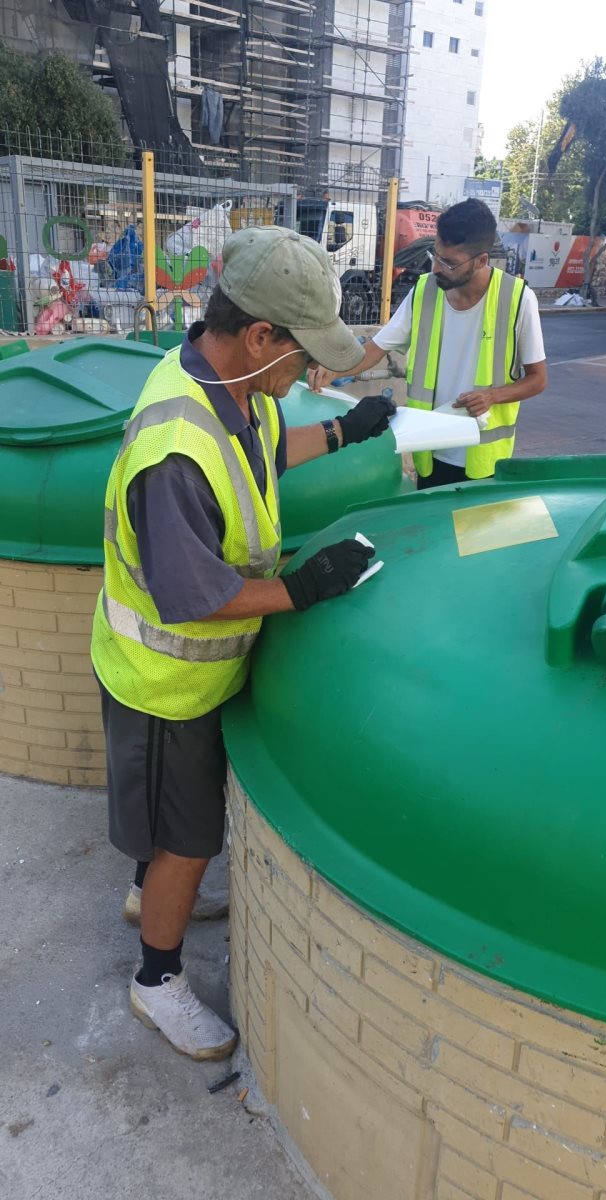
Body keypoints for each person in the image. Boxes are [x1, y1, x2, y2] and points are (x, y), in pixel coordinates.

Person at [91, 225, 395, 1061]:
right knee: (188, 840)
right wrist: (304, 587)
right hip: (163, 683)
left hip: (181, 679)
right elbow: (197, 598)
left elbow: (260, 455)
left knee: (164, 832)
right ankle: (156, 979)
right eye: (305, 355)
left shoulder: (228, 388)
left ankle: (143, 889)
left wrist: (344, 432)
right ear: (260, 335)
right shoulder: (176, 446)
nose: (313, 374)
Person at [309, 198, 547, 486]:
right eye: (436, 255)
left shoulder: (517, 299)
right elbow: (375, 349)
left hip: (486, 463)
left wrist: (491, 396)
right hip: (430, 455)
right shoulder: (423, 293)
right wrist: (334, 369)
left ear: (482, 260)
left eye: (449, 263)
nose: (436, 268)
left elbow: (537, 380)